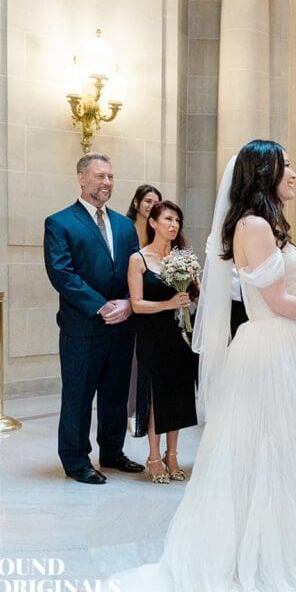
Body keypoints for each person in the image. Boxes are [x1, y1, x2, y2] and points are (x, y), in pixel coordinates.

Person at [29, 140, 296, 592]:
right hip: (268, 350)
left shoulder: (267, 223)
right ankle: (258, 562)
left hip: (286, 348)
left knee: (288, 456)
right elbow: (279, 301)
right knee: (264, 458)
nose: (295, 174)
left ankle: (289, 553)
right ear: (265, 172)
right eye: (286, 166)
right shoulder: (252, 226)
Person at [42, 153, 144, 484]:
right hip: (83, 327)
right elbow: (62, 273)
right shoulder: (60, 222)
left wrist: (129, 303)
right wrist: (101, 306)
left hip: (122, 325)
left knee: (115, 395)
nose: (107, 182)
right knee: (79, 397)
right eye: (100, 176)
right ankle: (75, 460)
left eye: (110, 177)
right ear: (82, 178)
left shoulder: (125, 225)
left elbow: (135, 269)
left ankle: (113, 452)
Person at [127, 200, 198, 484]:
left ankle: (173, 455)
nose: (174, 224)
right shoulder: (139, 259)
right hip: (152, 335)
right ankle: (154, 456)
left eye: (177, 220)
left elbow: (196, 294)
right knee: (157, 396)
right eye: (168, 219)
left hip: (179, 335)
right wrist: (169, 304)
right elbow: (136, 304)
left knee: (177, 395)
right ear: (153, 222)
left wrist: (192, 296)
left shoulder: (182, 258)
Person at [125, 184, 163, 433]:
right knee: (128, 362)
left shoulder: (157, 231)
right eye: (148, 201)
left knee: (143, 362)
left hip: (150, 304)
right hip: (127, 299)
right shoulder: (125, 229)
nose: (151, 206)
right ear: (136, 202)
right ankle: (129, 411)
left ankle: (141, 410)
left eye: (156, 202)